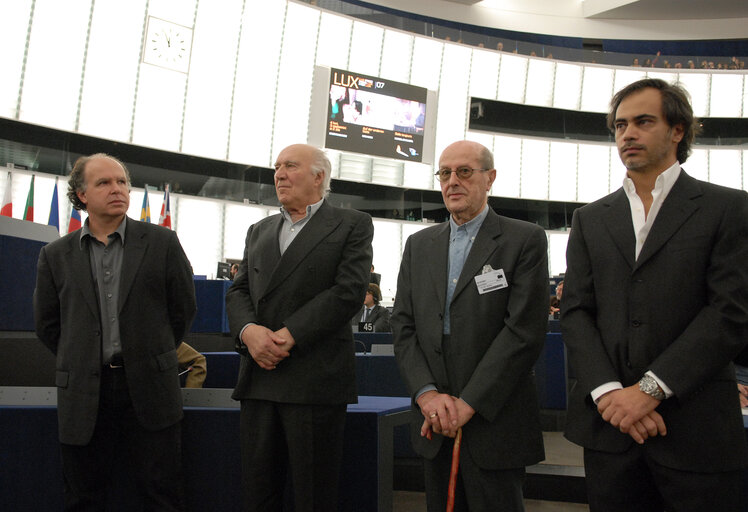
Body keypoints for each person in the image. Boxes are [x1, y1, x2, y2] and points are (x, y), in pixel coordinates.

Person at [561, 78, 748, 512]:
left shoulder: (729, 208)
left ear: (677, 130)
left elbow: (730, 314)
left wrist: (649, 390)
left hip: (695, 434)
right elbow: (575, 313)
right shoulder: (590, 218)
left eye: (644, 121)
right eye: (620, 125)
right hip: (609, 432)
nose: (628, 133)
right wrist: (609, 394)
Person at [34, 153, 197, 510]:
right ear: (81, 196)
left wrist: (151, 353)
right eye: (104, 183)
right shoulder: (55, 255)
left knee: (162, 494)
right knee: (83, 497)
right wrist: (82, 356)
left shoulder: (163, 243)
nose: (117, 189)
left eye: (122, 182)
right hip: (83, 391)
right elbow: (48, 325)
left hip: (150, 388)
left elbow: (182, 311)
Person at [391, 140, 548, 512]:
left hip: (495, 417)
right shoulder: (419, 244)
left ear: (490, 178)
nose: (452, 182)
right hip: (434, 417)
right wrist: (427, 394)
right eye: (444, 173)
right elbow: (404, 325)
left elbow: (523, 332)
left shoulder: (523, 239)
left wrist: (469, 402)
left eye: (464, 172)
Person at [225, 143, 374, 512]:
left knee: (313, 493)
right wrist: (249, 332)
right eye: (277, 167)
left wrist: (289, 334)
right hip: (259, 374)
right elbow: (239, 290)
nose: (279, 174)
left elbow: (348, 291)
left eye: (290, 166)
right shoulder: (259, 229)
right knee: (258, 492)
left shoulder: (351, 224)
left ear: (319, 177)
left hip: (313, 379)